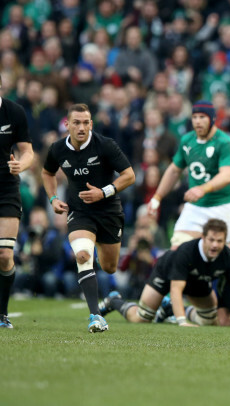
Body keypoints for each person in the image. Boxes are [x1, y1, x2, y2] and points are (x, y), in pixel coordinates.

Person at [41, 103, 135, 332]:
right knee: (83, 255)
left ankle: (110, 300)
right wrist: (53, 198)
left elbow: (129, 175)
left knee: (110, 267)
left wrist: (103, 192)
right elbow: (47, 172)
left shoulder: (105, 145)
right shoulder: (57, 149)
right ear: (67, 125)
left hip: (109, 212)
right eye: (76, 123)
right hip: (79, 212)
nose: (81, 127)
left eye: (85, 123)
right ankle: (96, 316)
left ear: (91, 124)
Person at [99, 219, 230, 329]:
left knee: (209, 322)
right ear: (203, 238)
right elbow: (175, 289)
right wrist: (182, 322)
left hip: (197, 281)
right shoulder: (187, 251)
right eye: (211, 240)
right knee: (141, 318)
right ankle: (114, 301)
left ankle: (169, 310)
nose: (215, 245)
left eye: (219, 241)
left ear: (225, 241)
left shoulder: (228, 257)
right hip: (167, 274)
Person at [148, 100, 230, 246]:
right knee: (178, 249)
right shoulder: (187, 140)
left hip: (223, 206)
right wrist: (157, 197)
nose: (198, 121)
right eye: (195, 117)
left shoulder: (225, 142)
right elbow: (174, 170)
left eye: (202, 117)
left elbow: (228, 175)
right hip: (195, 207)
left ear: (212, 119)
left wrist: (203, 189)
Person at [0, 75, 34, 328]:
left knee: (3, 254)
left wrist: (20, 165)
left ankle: (2, 314)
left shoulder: (14, 112)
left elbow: (27, 150)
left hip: (6, 188)